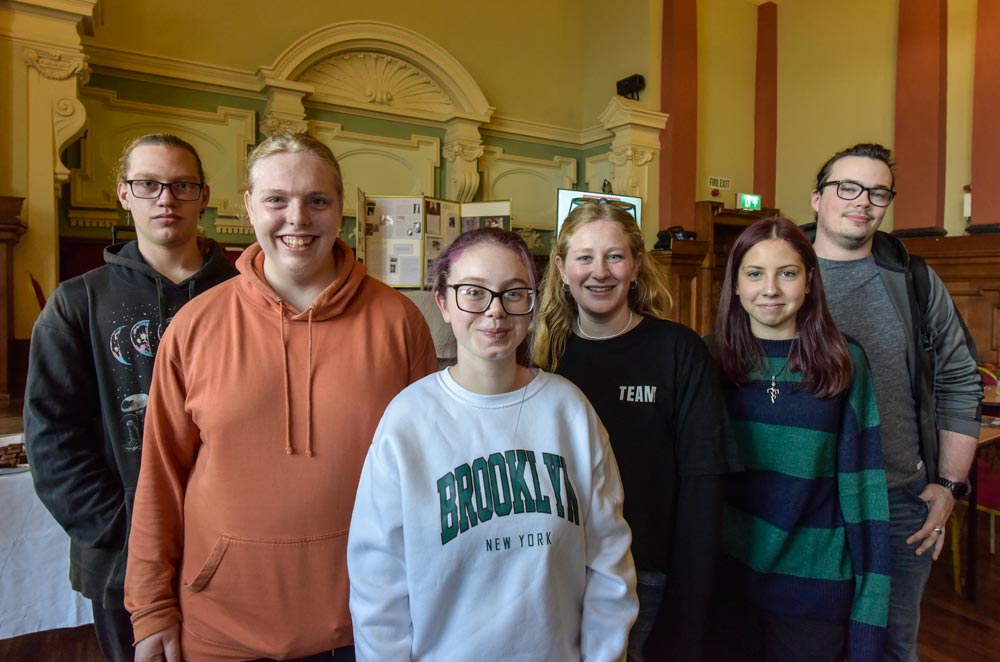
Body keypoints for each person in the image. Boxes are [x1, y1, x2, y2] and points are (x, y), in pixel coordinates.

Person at [124, 133, 438, 662]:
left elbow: (429, 477)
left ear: (341, 210)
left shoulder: (399, 322)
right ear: (248, 206)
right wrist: (151, 605)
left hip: (367, 625)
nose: (298, 218)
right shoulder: (195, 326)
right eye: (277, 200)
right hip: (221, 628)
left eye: (318, 200)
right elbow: (160, 478)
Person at [347, 227, 638, 661]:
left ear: (532, 302)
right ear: (443, 302)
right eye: (474, 292)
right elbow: (378, 586)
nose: (495, 311)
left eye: (513, 293)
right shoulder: (407, 421)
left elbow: (609, 564)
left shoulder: (568, 411)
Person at [23, 134, 237, 662]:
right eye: (149, 184)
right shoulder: (78, 302)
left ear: (204, 195)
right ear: (124, 194)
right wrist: (132, 533)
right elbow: (52, 437)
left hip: (234, 545)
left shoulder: (245, 293)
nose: (166, 198)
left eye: (182, 185)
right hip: (121, 553)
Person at [532, 202, 739, 661]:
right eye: (585, 257)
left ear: (637, 265)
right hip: (555, 574)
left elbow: (703, 487)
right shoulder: (542, 359)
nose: (599, 272)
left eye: (614, 256)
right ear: (562, 269)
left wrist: (688, 610)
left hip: (648, 576)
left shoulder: (678, 350)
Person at [804, 143, 982, 661]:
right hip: (806, 501)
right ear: (817, 198)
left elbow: (959, 379)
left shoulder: (915, 281)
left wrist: (948, 486)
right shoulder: (779, 275)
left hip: (900, 501)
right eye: (848, 188)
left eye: (878, 192)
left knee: (891, 648)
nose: (863, 201)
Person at [707, 217, 890, 661]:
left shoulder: (846, 362)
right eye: (755, 274)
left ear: (809, 282)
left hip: (814, 594)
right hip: (728, 588)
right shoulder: (708, 358)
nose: (770, 288)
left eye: (787, 273)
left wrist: (869, 620)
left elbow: (865, 494)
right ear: (735, 285)